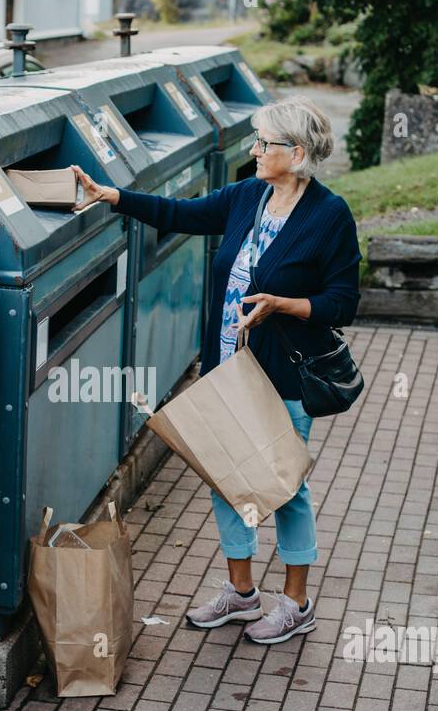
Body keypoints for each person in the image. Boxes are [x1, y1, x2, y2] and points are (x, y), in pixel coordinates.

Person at [71, 95, 360, 645]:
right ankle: (242, 593)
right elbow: (182, 214)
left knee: (284, 487)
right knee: (226, 480)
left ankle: (296, 602)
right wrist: (111, 196)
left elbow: (342, 302)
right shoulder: (248, 197)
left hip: (283, 377)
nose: (253, 151)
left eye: (264, 143)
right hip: (227, 368)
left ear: (296, 154)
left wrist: (283, 304)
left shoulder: (329, 215)